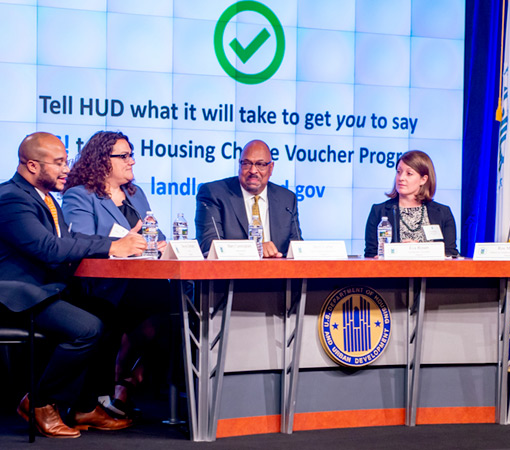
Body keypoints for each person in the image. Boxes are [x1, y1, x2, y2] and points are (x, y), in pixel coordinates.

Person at [0, 132, 146, 438]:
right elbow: (48, 248)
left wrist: (113, 244)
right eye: (58, 163)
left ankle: (84, 406)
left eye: (66, 161)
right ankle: (39, 402)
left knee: (108, 312)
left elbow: (71, 240)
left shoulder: (46, 198)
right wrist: (111, 247)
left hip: (46, 291)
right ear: (31, 166)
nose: (66, 169)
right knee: (87, 328)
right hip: (18, 295)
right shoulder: (11, 199)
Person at [62, 131, 170, 419]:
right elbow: (81, 239)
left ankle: (127, 374)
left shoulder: (136, 194)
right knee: (157, 298)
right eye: (124, 156)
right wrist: (123, 243)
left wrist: (158, 244)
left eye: (131, 154)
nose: (131, 161)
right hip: (100, 285)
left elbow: (153, 234)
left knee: (177, 302)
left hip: (139, 281)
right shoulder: (80, 195)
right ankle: (109, 385)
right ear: (101, 160)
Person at [195, 139, 302, 256]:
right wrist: (256, 249)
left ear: (271, 168)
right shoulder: (214, 194)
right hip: (232, 272)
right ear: (239, 164)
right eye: (246, 163)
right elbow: (209, 246)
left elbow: (297, 249)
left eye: (260, 164)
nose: (253, 171)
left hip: (278, 272)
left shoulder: (286, 199)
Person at [364, 150, 458, 258]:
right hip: (393, 273)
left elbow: (451, 254)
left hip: (430, 274)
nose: (401, 178)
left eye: (409, 173)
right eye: (398, 172)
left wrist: (418, 250)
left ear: (423, 179)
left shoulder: (443, 213)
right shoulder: (379, 211)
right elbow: (370, 255)